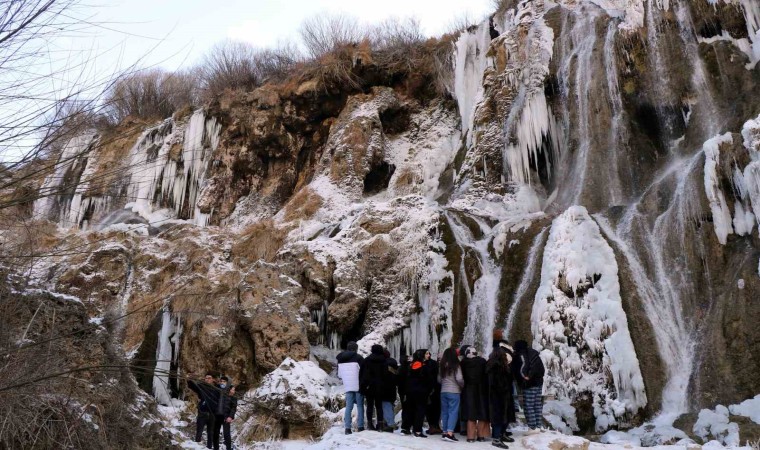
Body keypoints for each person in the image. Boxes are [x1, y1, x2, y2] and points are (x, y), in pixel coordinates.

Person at [514, 340, 545, 433]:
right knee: (537, 404)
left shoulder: (522, 354)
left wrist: (526, 377)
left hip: (529, 383)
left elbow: (523, 366)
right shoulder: (533, 353)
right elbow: (542, 368)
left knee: (528, 405)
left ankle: (532, 427)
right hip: (538, 382)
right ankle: (538, 426)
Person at [460, 346, 490, 442]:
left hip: (468, 389)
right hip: (481, 389)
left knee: (471, 414)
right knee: (481, 413)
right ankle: (481, 436)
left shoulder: (463, 363)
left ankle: (470, 437)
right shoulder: (482, 361)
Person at [487, 347, 515, 448]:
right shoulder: (497, 367)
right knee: (499, 416)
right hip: (500, 396)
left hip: (499, 395)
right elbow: (499, 383)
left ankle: (501, 434)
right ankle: (496, 438)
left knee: (502, 416)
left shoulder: (493, 365)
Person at [404, 349, 435, 438]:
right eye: (426, 354)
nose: (428, 355)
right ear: (422, 355)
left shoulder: (411, 365)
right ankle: (417, 430)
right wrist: (429, 390)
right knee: (420, 411)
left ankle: (408, 428)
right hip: (421, 392)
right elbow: (430, 380)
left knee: (411, 410)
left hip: (410, 392)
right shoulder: (424, 367)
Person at [337, 341, 365, 434]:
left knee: (348, 407)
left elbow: (340, 375)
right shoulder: (359, 358)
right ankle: (360, 426)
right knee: (360, 406)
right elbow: (363, 372)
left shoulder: (340, 359)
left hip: (348, 386)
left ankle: (347, 428)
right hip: (358, 386)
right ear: (355, 348)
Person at [438, 347, 464, 443]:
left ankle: (444, 432)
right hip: (454, 391)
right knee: (453, 412)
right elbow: (460, 378)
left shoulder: (442, 365)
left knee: (444, 412)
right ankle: (450, 433)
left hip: (443, 391)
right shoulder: (456, 365)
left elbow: (439, 379)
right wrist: (462, 386)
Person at [360, 344, 387, 431]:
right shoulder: (384, 360)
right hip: (380, 386)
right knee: (379, 406)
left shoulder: (367, 360)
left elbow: (362, 374)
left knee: (370, 405)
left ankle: (369, 424)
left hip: (369, 387)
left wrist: (362, 386)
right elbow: (385, 374)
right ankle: (380, 425)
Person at [188, 373, 218, 449]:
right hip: (202, 413)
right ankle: (197, 447)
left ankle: (209, 447)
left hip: (212, 414)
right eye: (206, 378)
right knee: (199, 431)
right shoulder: (201, 387)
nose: (207, 379)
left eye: (209, 378)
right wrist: (189, 380)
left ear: (213, 380)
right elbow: (193, 386)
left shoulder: (216, 389)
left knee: (210, 433)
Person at [211, 376, 237, 450]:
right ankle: (216, 448)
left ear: (228, 383)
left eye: (224, 381)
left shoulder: (232, 392)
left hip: (226, 416)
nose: (222, 383)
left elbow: (233, 407)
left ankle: (228, 448)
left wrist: (230, 417)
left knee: (226, 435)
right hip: (216, 416)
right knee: (215, 434)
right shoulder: (217, 390)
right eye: (221, 381)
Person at [425, 351, 442, 435]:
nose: (428, 355)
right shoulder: (434, 364)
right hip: (435, 388)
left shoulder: (428, 364)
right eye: (426, 354)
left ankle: (433, 426)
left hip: (432, 389)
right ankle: (434, 426)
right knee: (434, 409)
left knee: (431, 408)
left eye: (429, 354)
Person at [381, 349, 399, 432]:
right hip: (392, 388)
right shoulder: (394, 363)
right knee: (390, 405)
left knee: (386, 405)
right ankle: (387, 422)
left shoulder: (383, 364)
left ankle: (390, 424)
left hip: (384, 388)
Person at [397, 354, 414, 435]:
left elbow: (398, 381)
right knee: (410, 409)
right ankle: (408, 427)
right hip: (409, 391)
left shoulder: (400, 369)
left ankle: (405, 427)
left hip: (402, 391)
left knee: (405, 409)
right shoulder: (410, 368)